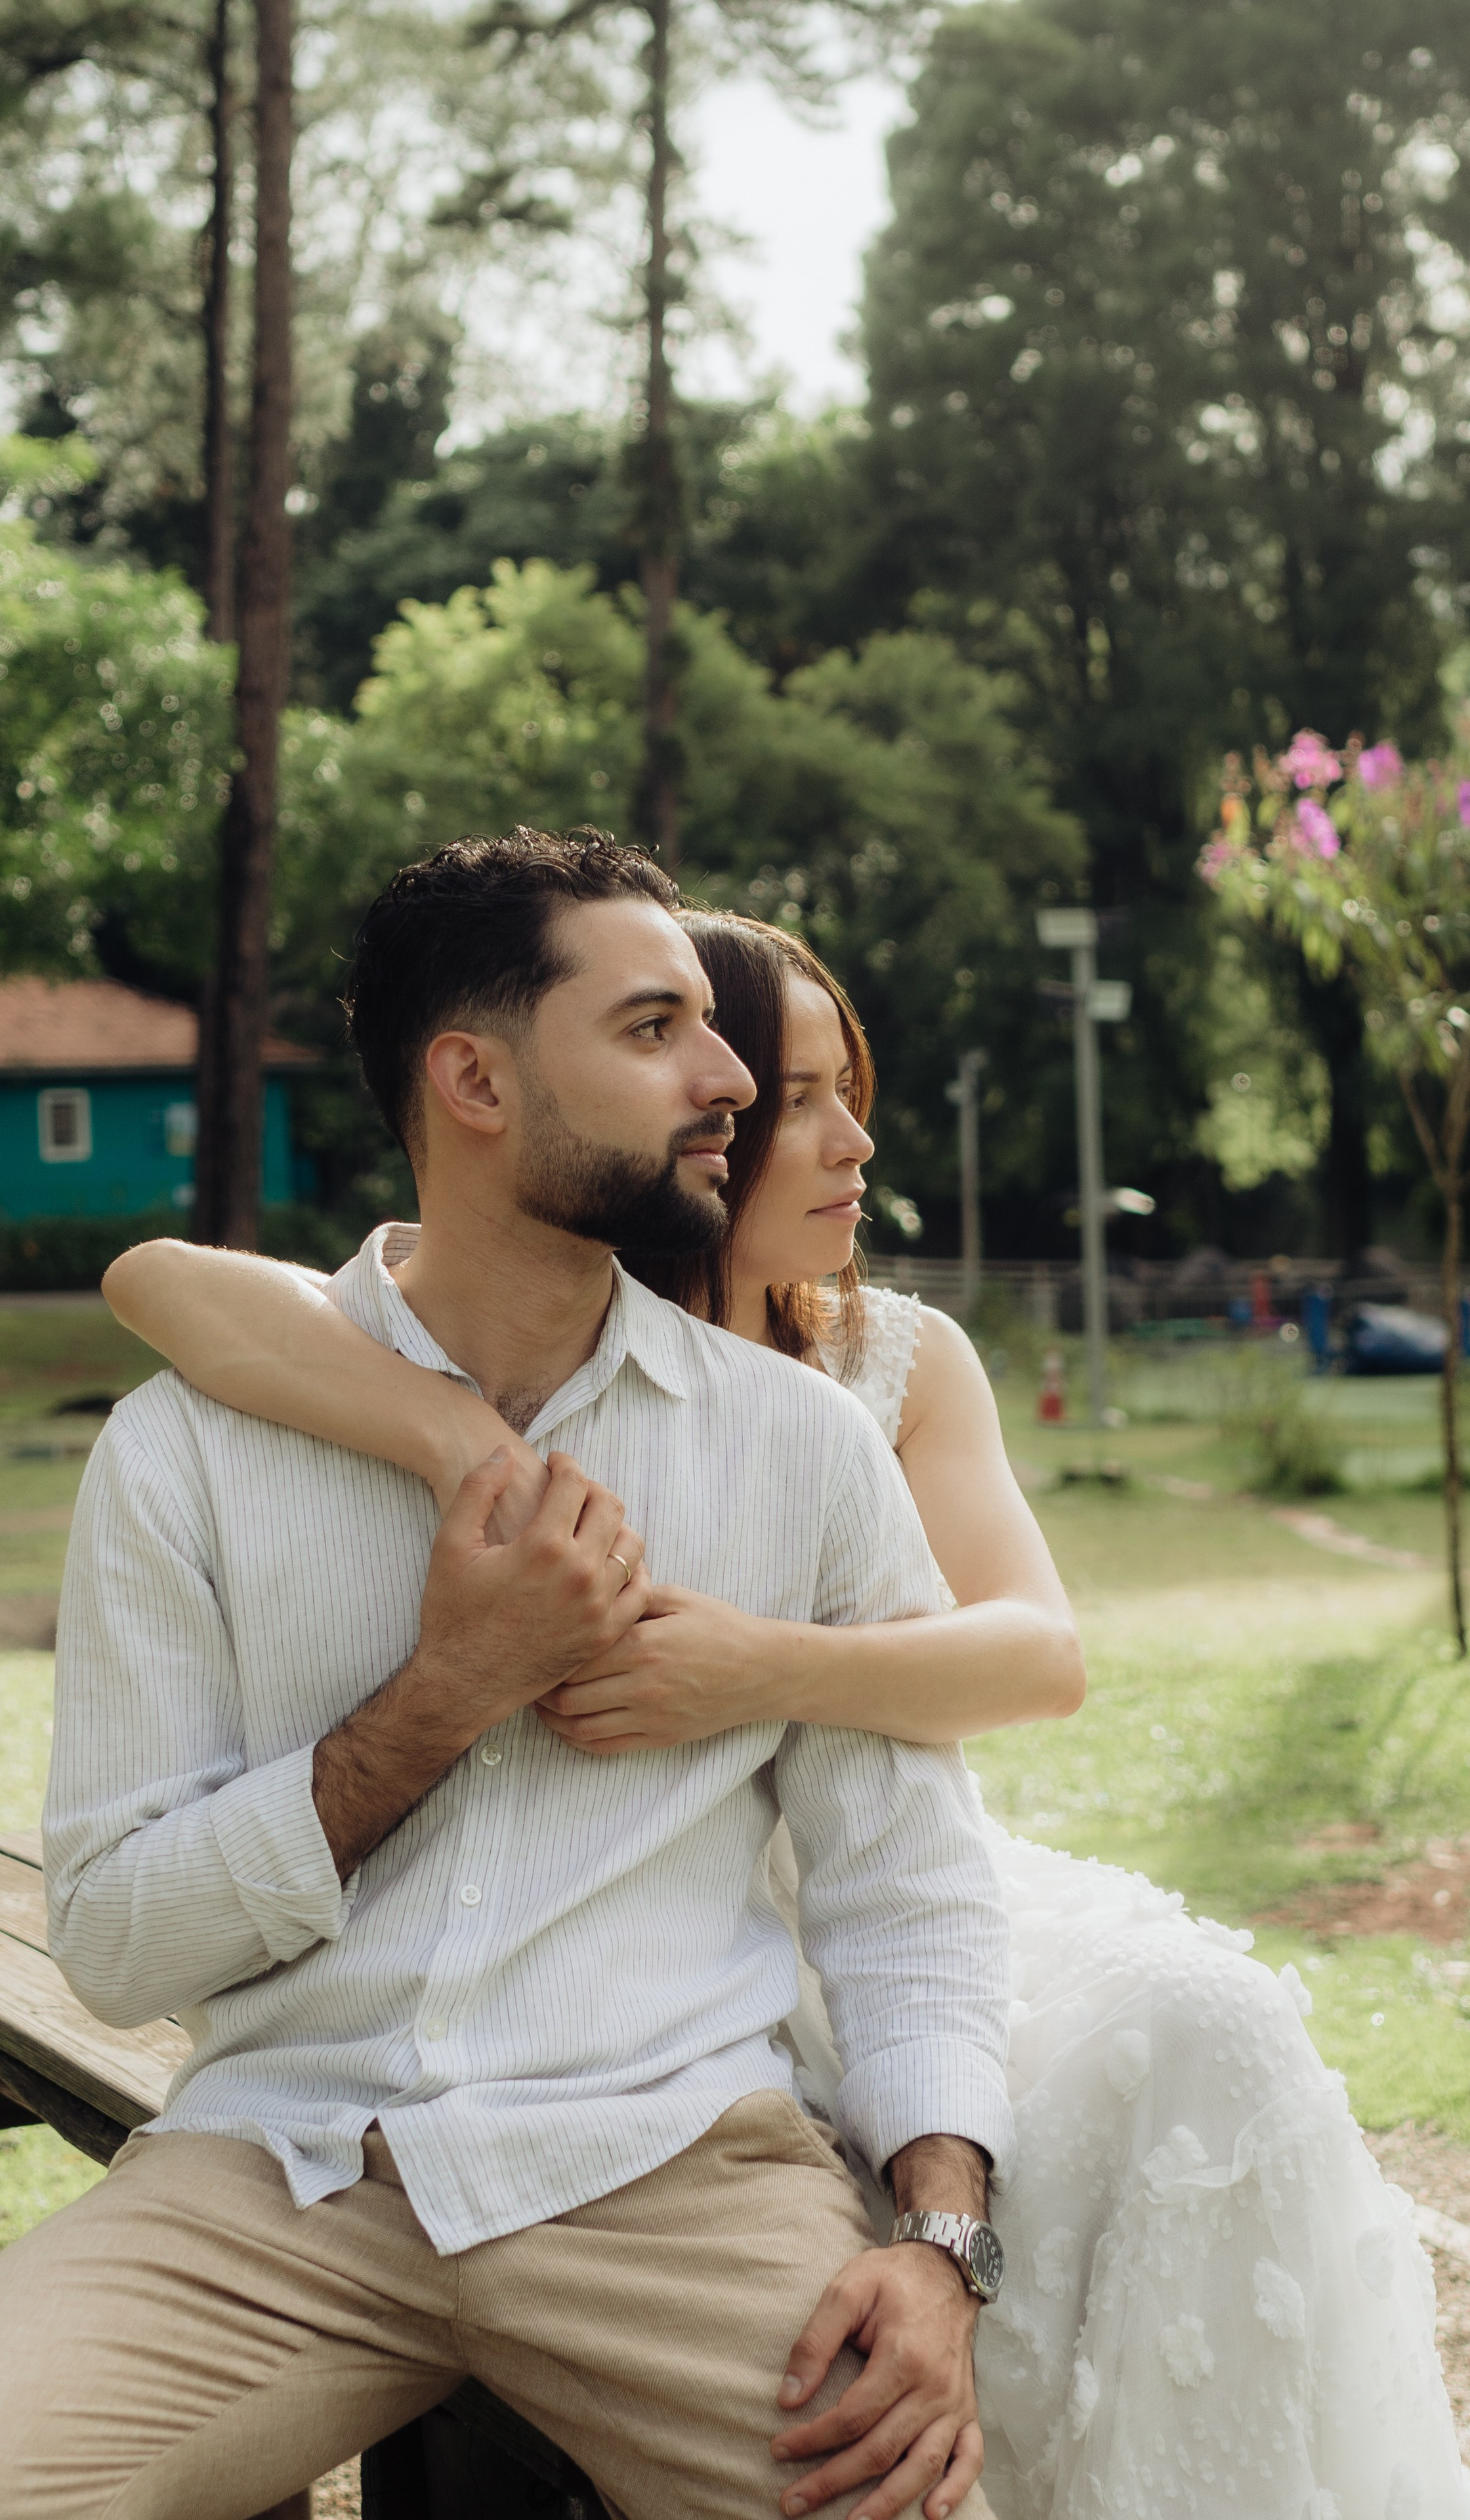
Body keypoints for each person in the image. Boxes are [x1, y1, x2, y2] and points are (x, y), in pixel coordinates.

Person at [104, 904, 1470, 2520]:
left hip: (853, 1840)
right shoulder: (543, 1333)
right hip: (645, 1938)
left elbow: (1038, 1655)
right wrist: (447, 1432)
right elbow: (159, 1279)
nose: (829, 1132)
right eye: (782, 1093)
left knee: (1206, 2026)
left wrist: (758, 1667)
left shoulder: (878, 1359)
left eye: (826, 1087)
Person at [0, 829, 1018, 2520]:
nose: (727, 1075)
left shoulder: (796, 1449)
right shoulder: (185, 1455)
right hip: (285, 2169)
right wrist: (441, 1696)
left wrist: (939, 2242)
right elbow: (119, 1943)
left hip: (669, 2166)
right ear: (475, 1081)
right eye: (656, 1029)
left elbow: (904, 1890)